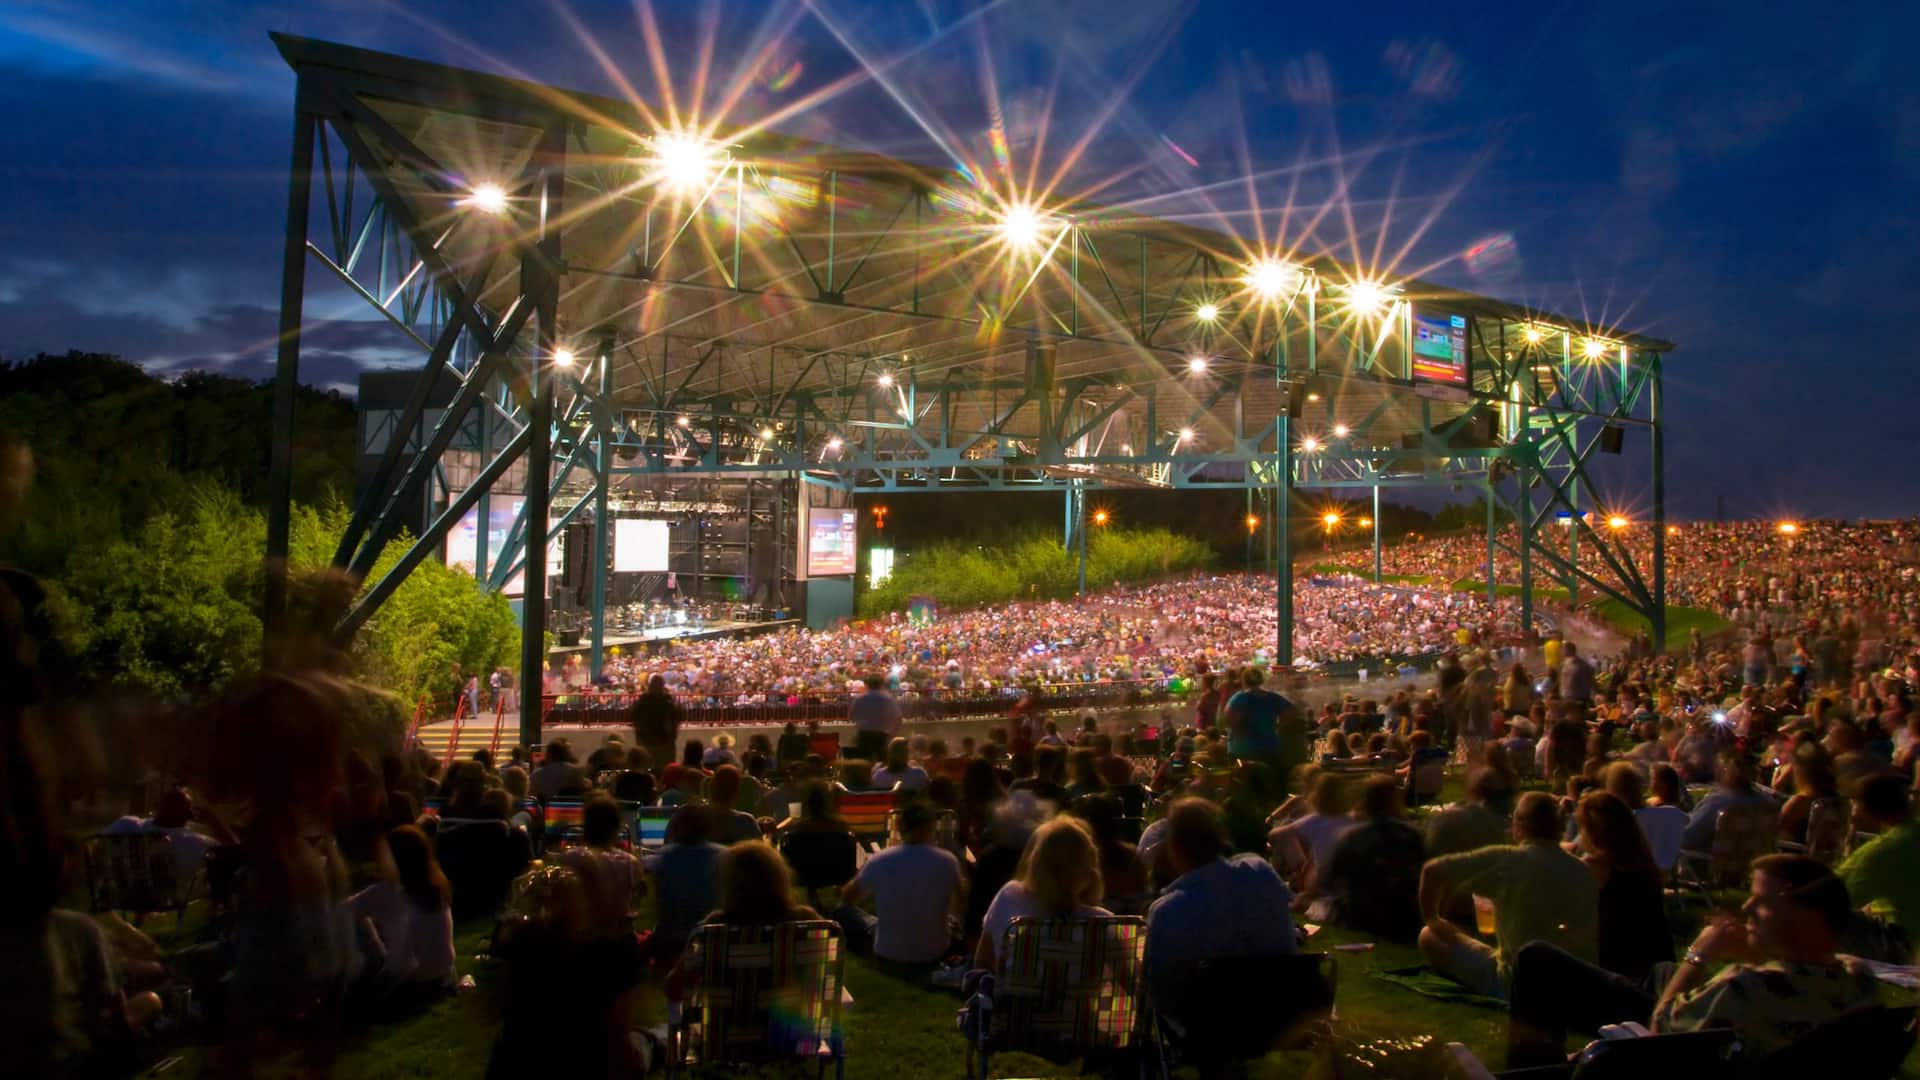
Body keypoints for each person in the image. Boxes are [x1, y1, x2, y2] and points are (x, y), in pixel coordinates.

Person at [1507, 854, 1881, 1066]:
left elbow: (1660, 1029)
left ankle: (1539, 1069)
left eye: (1762, 901)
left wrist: (1700, 954)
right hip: (1742, 1035)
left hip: (1675, 1049)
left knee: (1538, 960)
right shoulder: (1858, 977)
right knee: (1657, 971)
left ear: (1804, 915)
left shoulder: (1742, 987)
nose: (1747, 906)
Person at [1418, 791, 1598, 999]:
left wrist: (1433, 918)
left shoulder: (1508, 859)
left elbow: (1432, 871)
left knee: (1429, 936)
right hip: (1577, 984)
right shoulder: (1582, 870)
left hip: (1520, 984)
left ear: (1519, 826)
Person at [1144, 799, 1296, 1007]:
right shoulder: (1260, 874)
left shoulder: (1167, 911)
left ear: (1174, 848)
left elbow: (1158, 990)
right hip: (1282, 1011)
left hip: (1206, 1028)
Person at [974, 816, 1111, 972]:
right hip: (1078, 997)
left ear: (1036, 862)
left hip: (1015, 995)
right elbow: (1131, 982)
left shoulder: (1010, 897)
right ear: (1088, 871)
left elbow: (983, 960)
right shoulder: (1104, 925)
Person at [843, 802, 966, 965]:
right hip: (935, 950)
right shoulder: (948, 861)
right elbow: (961, 903)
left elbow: (849, 898)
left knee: (843, 912)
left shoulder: (881, 859)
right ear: (931, 828)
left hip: (889, 950)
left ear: (901, 827)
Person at [351, 825, 457, 1005]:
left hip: (410, 982)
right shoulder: (437, 886)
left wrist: (377, 947)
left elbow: (343, 911)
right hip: (443, 976)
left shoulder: (387, 891)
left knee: (352, 922)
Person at [1313, 775, 1426, 942]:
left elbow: (1326, 879)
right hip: (1405, 916)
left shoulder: (1351, 838)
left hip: (1360, 916)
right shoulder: (1413, 835)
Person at [1573, 791, 1671, 981]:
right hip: (1656, 966)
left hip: (1616, 970)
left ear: (1591, 832)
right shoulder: (1643, 863)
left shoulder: (1595, 869)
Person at [1837, 772, 1920, 941]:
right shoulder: (1911, 834)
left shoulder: (1882, 850)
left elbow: (1834, 895)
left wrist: (1846, 846)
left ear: (1862, 807)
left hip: (1904, 944)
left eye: (1854, 803)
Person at [644, 804, 725, 961]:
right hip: (710, 938)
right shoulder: (723, 856)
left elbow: (657, 903)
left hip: (671, 940)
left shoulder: (664, 857)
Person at [559, 795, 642, 938]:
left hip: (582, 942)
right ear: (616, 827)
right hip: (620, 941)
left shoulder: (571, 859)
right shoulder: (631, 863)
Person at [1268, 772, 1354, 890]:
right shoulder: (1353, 818)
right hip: (1348, 881)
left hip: (1322, 883)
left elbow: (1275, 834)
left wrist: (1299, 863)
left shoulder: (1316, 819)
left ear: (1318, 795)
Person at [1680, 750, 1773, 853]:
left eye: (1720, 767)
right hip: (1755, 867)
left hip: (1708, 865)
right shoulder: (1768, 803)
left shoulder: (1717, 803)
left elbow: (1685, 839)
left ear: (1726, 771)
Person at [629, 674, 683, 773]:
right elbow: (677, 718)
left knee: (646, 772)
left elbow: (634, 719)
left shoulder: (643, 701)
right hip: (663, 744)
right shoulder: (669, 702)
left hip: (648, 743)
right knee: (665, 772)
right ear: (662, 686)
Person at [849, 676, 902, 763]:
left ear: (867, 685)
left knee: (863, 763)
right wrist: (893, 733)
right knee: (882, 763)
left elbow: (852, 716)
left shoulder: (860, 698)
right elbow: (898, 717)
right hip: (881, 736)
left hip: (864, 735)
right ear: (882, 685)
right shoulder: (888, 699)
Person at [1558, 641, 1595, 706]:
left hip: (1576, 699)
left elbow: (1589, 680)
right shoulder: (1566, 663)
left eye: (1563, 649)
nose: (1561, 651)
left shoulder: (1577, 664)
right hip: (1569, 698)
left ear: (1568, 650)